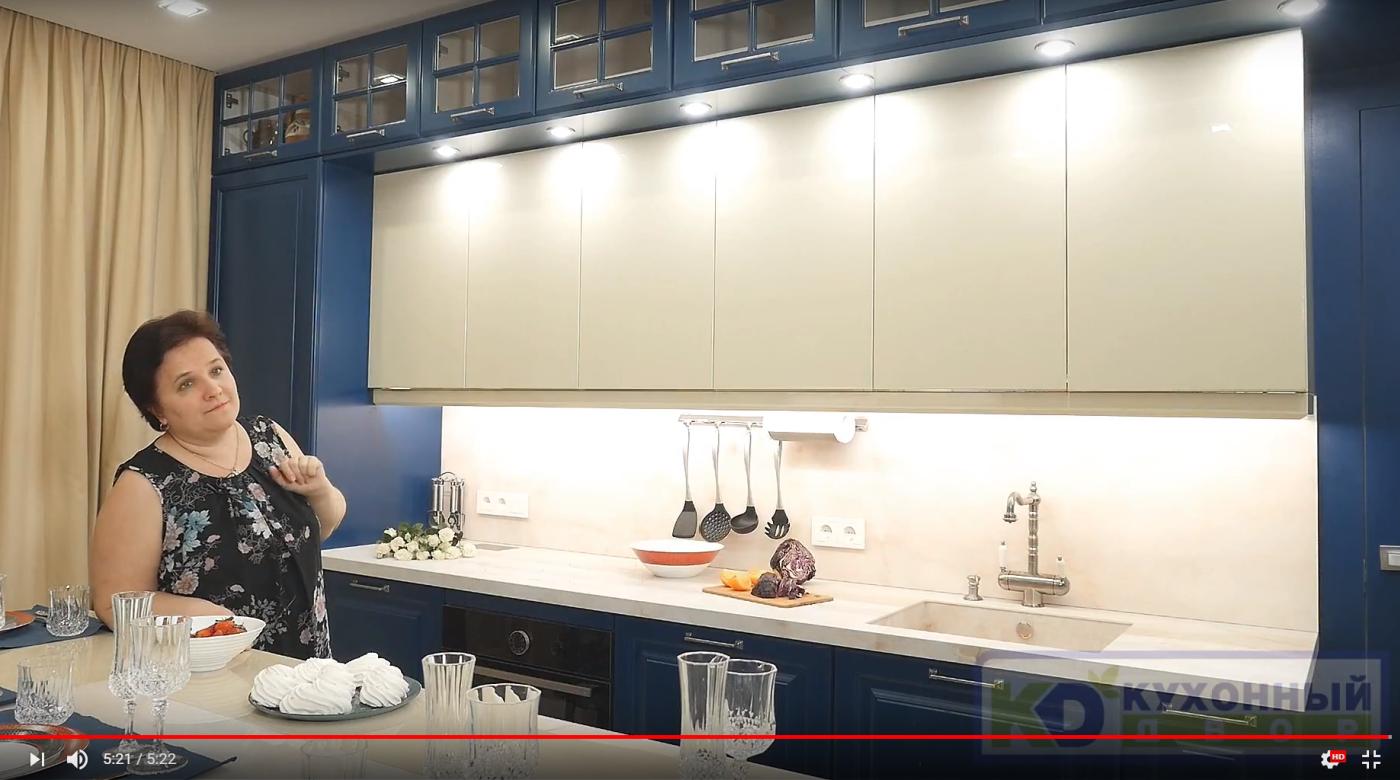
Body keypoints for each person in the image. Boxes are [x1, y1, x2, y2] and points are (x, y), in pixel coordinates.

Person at [89, 310, 346, 658]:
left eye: (216, 370)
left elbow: (320, 529)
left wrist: (320, 491)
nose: (213, 390)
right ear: (157, 409)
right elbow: (114, 604)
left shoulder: (270, 436)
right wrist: (209, 617)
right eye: (186, 384)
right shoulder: (143, 483)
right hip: (216, 675)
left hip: (307, 673)